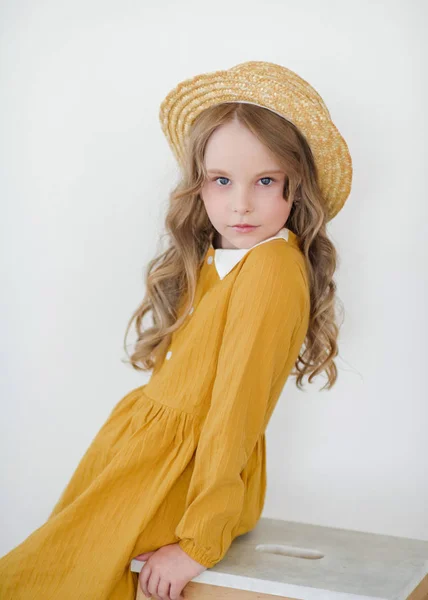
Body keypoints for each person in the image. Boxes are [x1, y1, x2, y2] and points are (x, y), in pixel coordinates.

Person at [0, 60, 353, 600]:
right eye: (221, 180)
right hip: (144, 458)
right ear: (199, 184)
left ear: (294, 186)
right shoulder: (226, 258)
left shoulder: (272, 271)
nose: (239, 204)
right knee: (48, 571)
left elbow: (235, 412)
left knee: (55, 579)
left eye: (264, 181)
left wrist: (197, 542)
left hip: (182, 480)